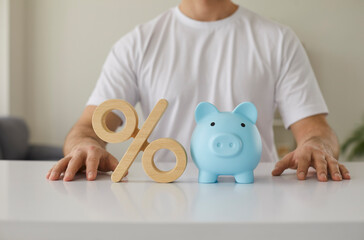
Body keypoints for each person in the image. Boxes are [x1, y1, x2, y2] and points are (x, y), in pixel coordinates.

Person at [46, 0, 350, 182]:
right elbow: (89, 128)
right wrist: (85, 145)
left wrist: (316, 146)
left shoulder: (279, 40)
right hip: (163, 197)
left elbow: (316, 132)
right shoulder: (137, 44)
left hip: (256, 196)